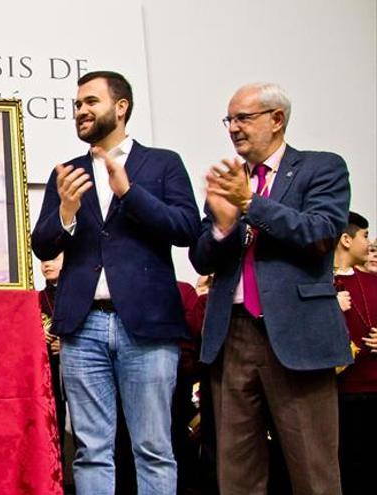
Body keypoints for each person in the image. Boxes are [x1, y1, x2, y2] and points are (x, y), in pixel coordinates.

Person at [31, 70, 200, 495]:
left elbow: (186, 229)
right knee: (90, 450)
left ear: (120, 107)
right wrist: (66, 212)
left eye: (91, 102)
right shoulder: (66, 173)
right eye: (77, 105)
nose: (81, 111)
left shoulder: (163, 163)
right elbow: (41, 244)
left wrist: (129, 193)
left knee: (154, 448)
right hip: (82, 326)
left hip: (146, 324)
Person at [189, 82, 350, 495]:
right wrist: (223, 227)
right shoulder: (231, 180)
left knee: (314, 471)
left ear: (277, 120)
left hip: (297, 335)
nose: (234, 128)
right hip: (232, 335)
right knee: (236, 474)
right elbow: (201, 258)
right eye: (230, 120)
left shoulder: (321, 167)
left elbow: (321, 233)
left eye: (244, 118)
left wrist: (251, 205)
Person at [332, 211, 377, 495]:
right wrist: (329, 309)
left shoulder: (374, 281)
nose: (369, 243)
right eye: (365, 236)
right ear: (346, 240)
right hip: (335, 394)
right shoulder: (319, 284)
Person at [38, 253, 70, 490]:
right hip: (49, 373)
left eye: (54, 259)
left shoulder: (80, 292)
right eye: (43, 260)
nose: (47, 264)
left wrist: (68, 344)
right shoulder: (36, 299)